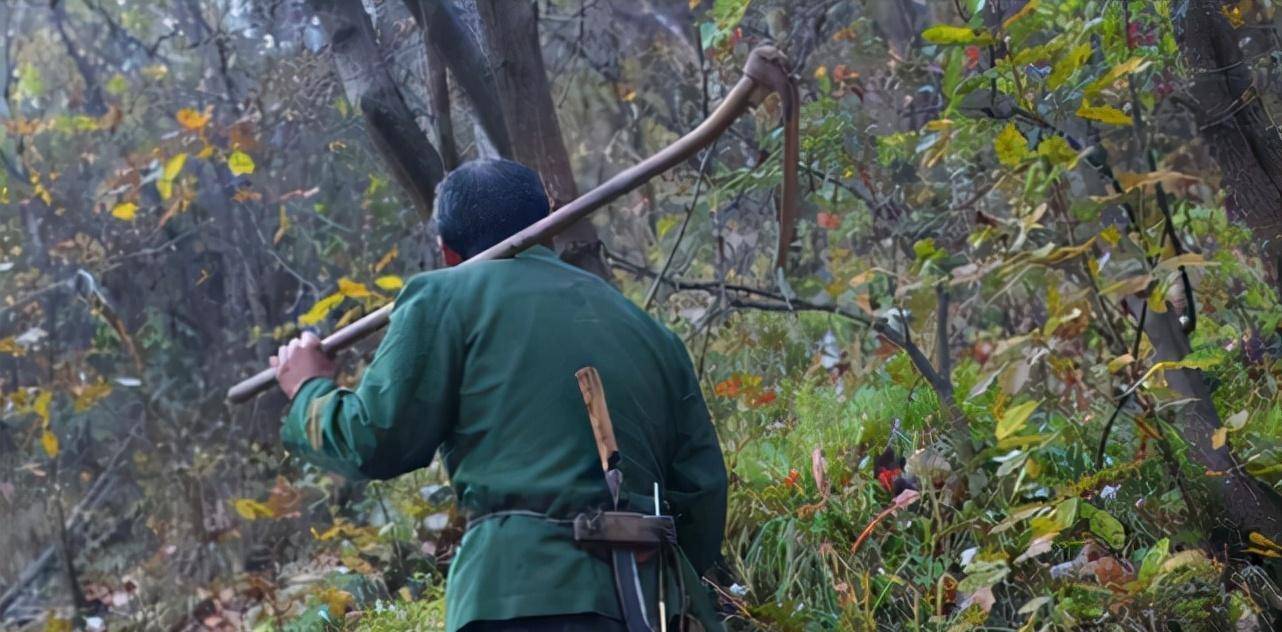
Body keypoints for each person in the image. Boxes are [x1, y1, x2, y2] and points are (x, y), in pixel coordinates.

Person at [270, 159, 727, 632]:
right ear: (549, 230)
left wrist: (307, 390)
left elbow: (375, 439)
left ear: (447, 252)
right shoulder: (650, 332)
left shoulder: (444, 296)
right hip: (644, 607)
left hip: (514, 600)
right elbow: (702, 493)